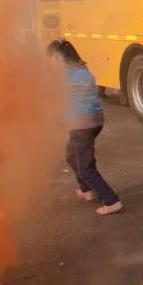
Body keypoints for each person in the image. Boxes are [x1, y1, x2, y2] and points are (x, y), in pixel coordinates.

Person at [47, 39, 123, 215]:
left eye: (52, 58)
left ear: (60, 58)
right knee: (72, 156)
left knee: (85, 167)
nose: (50, 62)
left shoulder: (68, 75)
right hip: (93, 122)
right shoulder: (81, 69)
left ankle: (111, 200)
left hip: (82, 125)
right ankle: (86, 189)